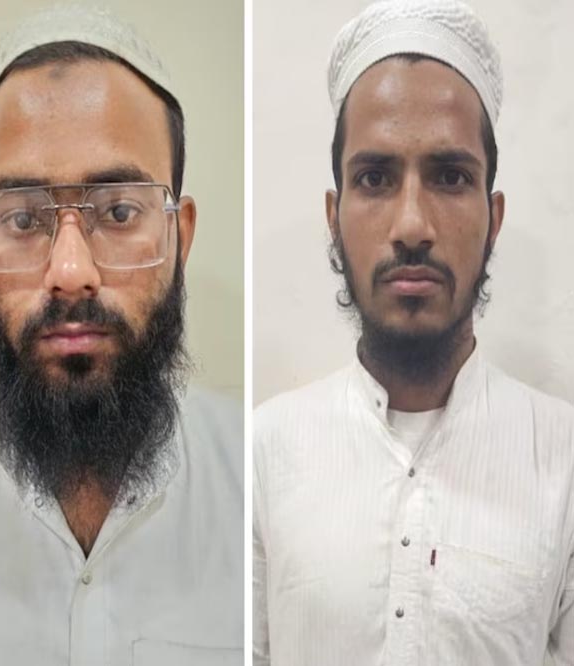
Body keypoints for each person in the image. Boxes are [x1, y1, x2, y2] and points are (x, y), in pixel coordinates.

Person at [0, 6, 243, 665]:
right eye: (22, 218)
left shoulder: (254, 485)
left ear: (179, 236)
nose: (70, 273)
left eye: (118, 212)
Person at [253, 1, 574, 663]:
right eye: (374, 178)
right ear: (334, 215)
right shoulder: (263, 453)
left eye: (449, 177)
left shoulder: (562, 460)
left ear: (493, 218)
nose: (410, 226)